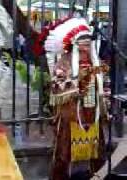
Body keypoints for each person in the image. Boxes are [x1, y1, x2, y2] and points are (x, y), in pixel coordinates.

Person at [44, 17, 109, 180]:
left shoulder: (96, 63)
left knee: (98, 153)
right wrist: (76, 86)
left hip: (93, 116)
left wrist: (104, 101)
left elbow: (104, 85)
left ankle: (98, 177)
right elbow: (56, 88)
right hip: (71, 117)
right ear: (75, 44)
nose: (86, 47)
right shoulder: (64, 62)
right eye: (83, 44)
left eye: (89, 43)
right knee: (63, 155)